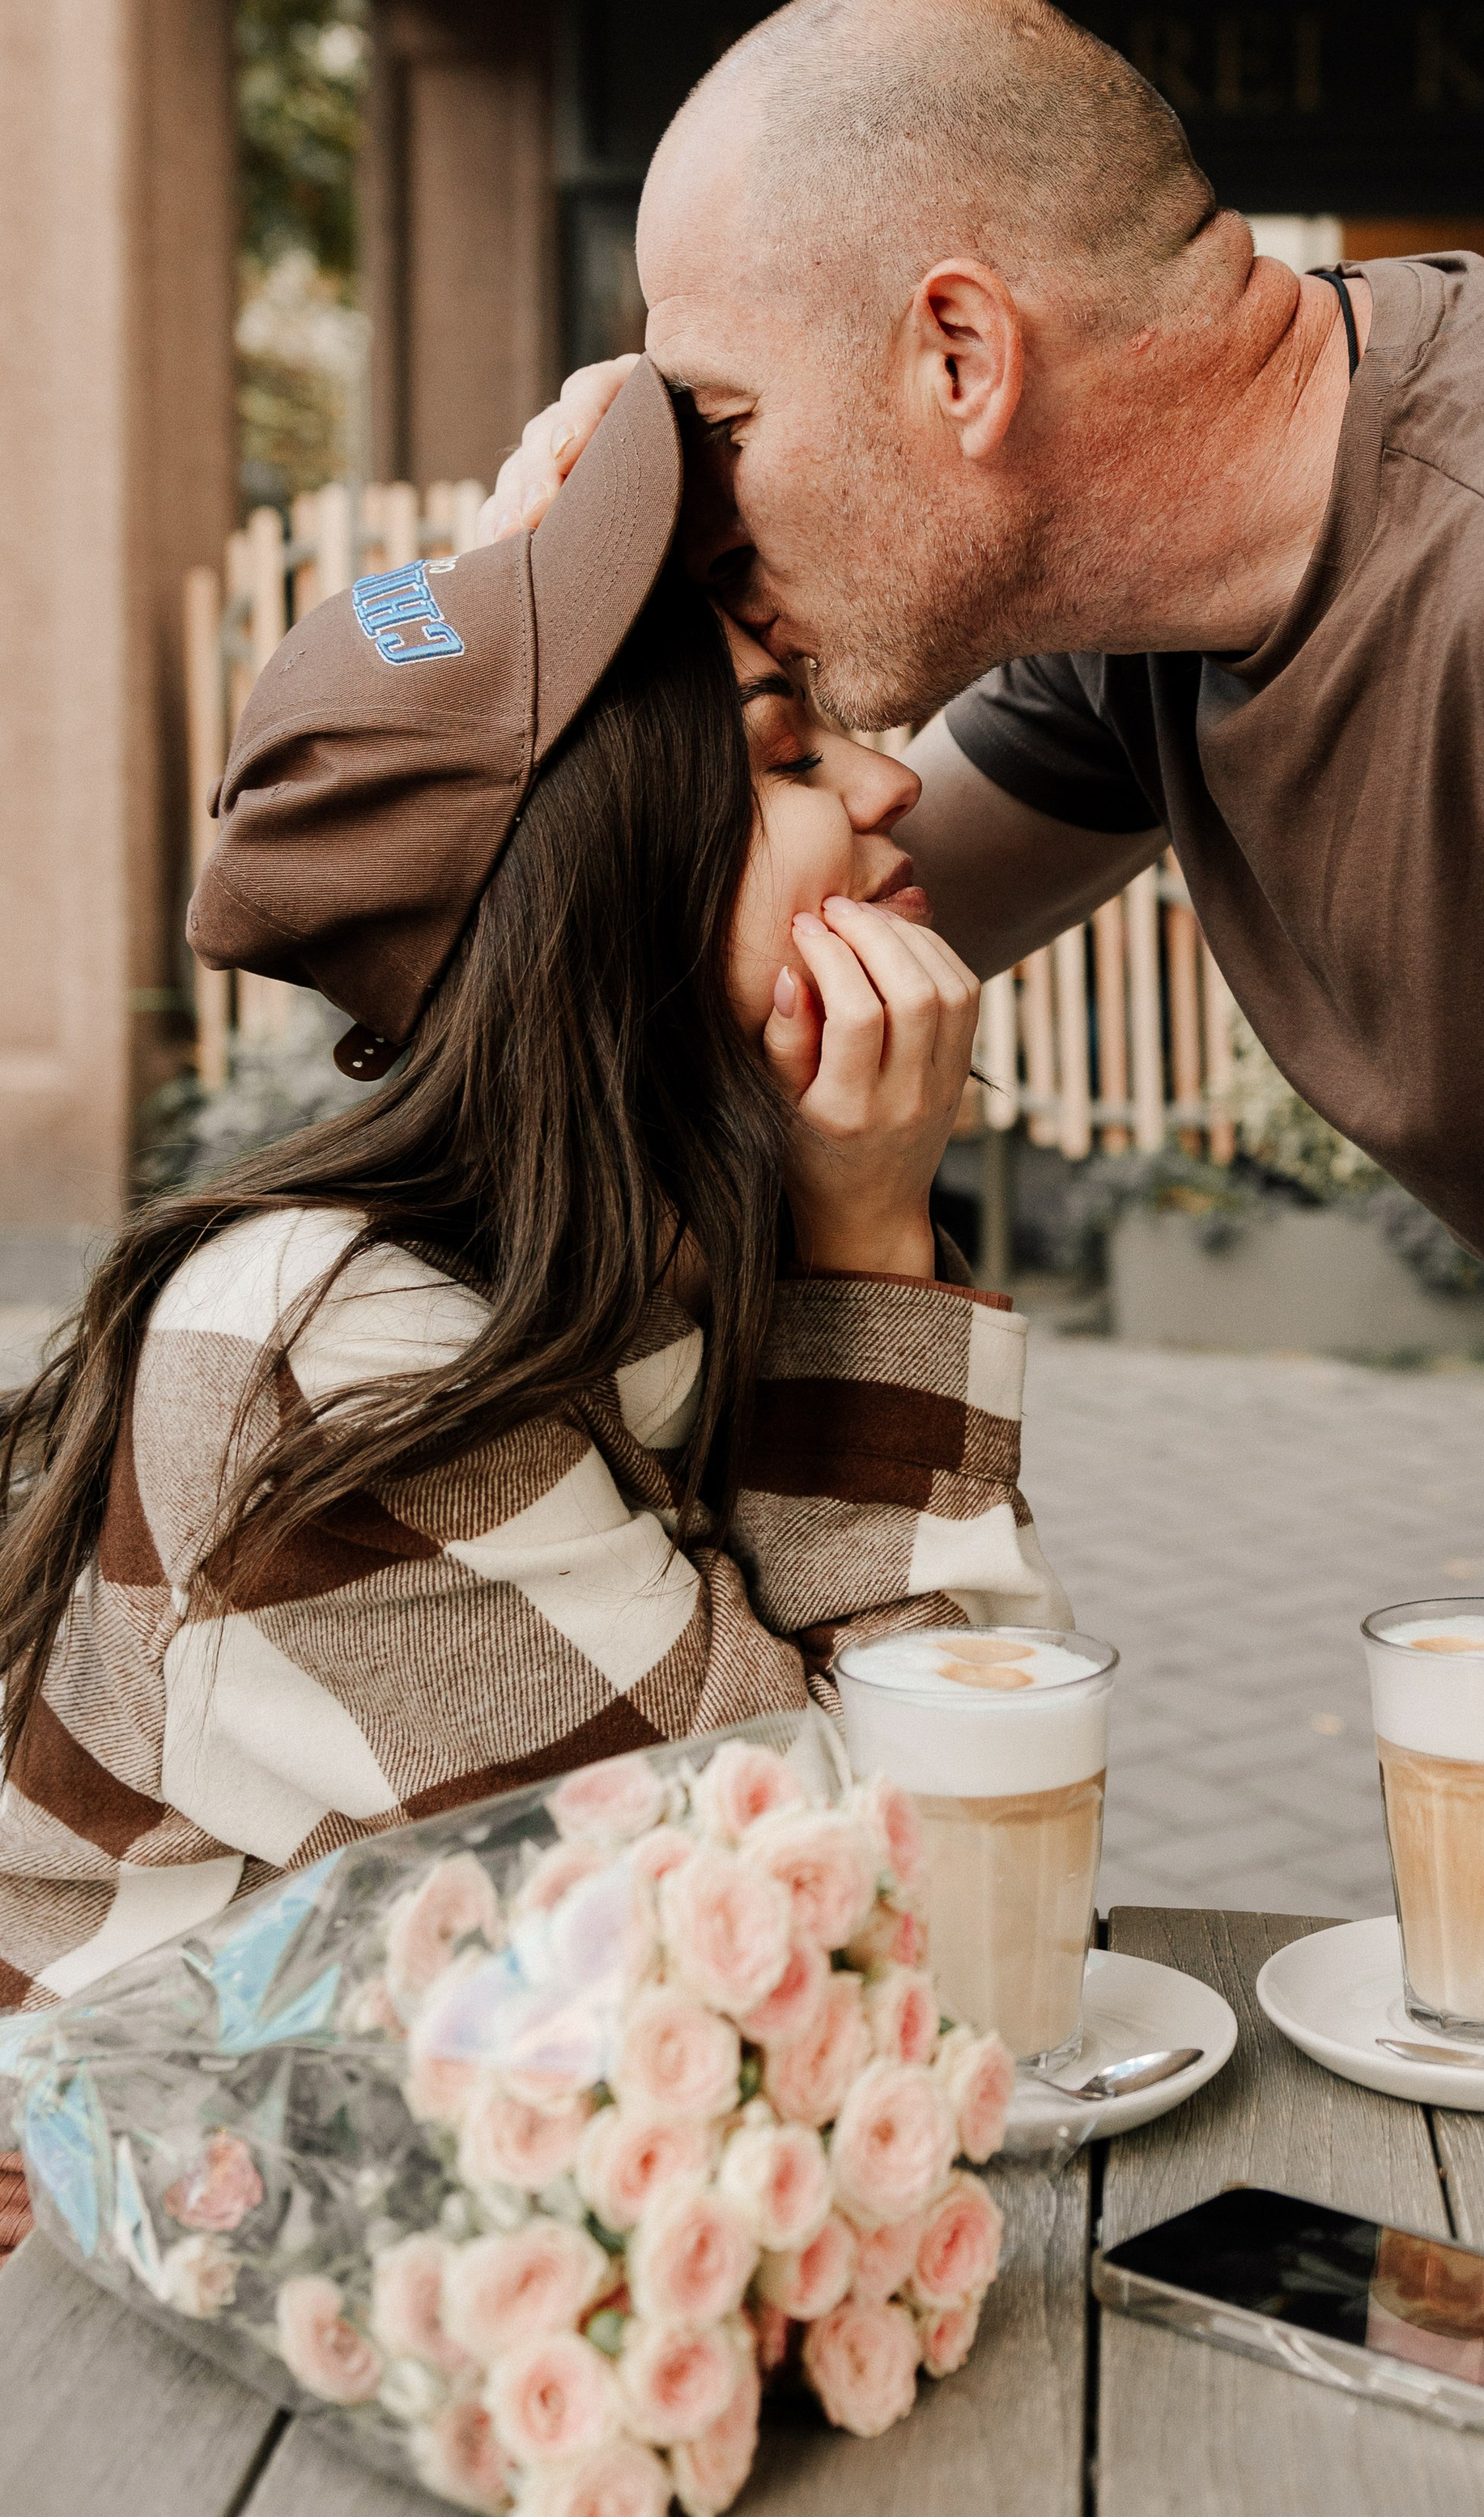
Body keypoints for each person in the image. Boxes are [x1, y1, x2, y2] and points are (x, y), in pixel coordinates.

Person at [491, 0, 1484, 2141]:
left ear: (963, 351)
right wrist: (545, 596)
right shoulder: (1157, 623)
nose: (712, 513)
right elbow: (767, 945)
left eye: (724, 430)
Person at [0, 363, 1063, 2037]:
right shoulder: (335, 1356)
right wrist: (869, 1262)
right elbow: (890, 1924)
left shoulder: (660, 1254)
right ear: (601, 890)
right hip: (102, 2247)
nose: (888, 787)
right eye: (787, 759)